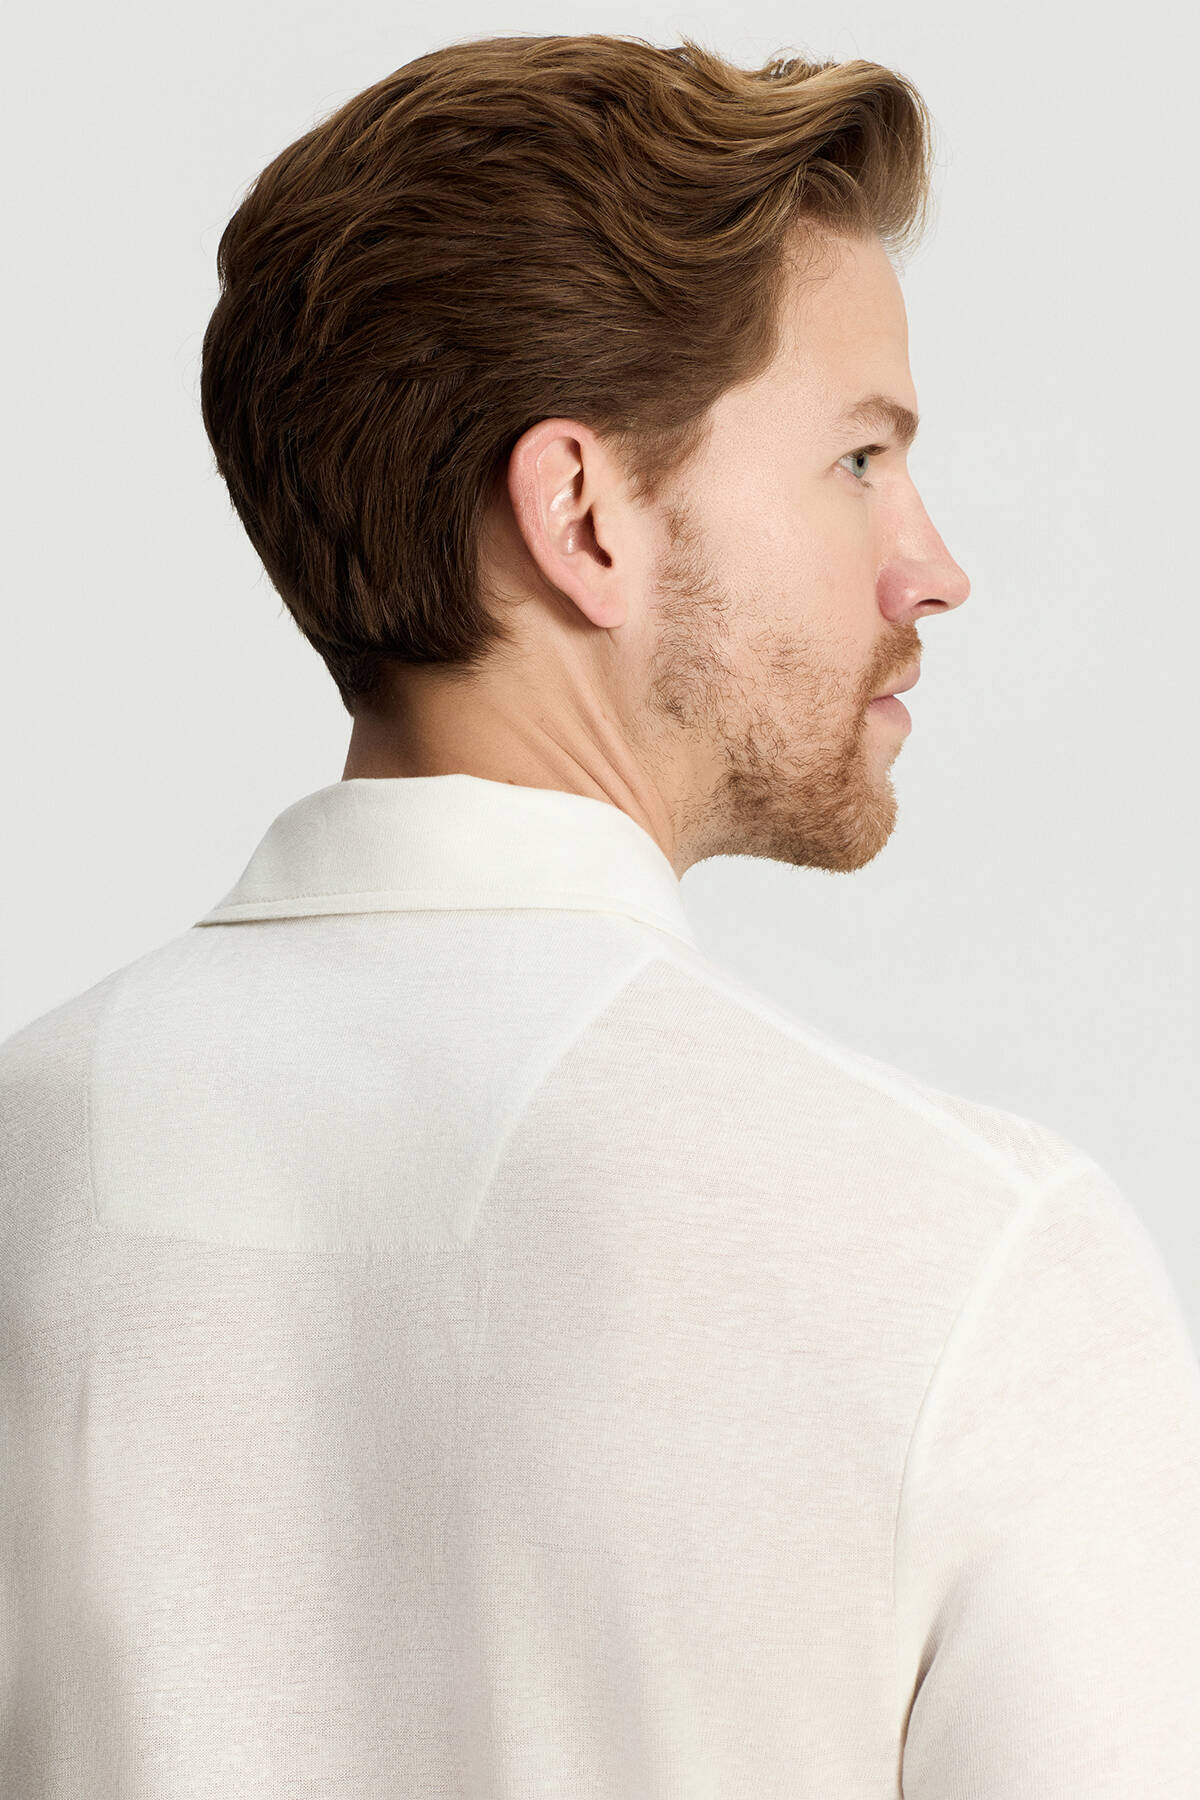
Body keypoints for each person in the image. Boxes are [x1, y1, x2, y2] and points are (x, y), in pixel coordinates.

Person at [2, 31, 1197, 1798]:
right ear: (582, 513)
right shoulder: (976, 1260)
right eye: (859, 458)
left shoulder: (21, 1166)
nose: (932, 565)